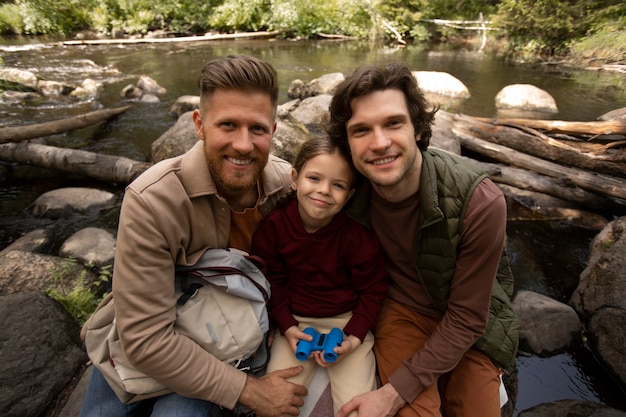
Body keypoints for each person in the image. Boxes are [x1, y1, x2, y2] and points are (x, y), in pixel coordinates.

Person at [79, 54, 307, 417]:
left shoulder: (290, 188)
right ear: (199, 125)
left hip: (230, 339)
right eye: (228, 125)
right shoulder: (152, 199)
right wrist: (251, 392)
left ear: (274, 131)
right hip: (160, 332)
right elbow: (146, 339)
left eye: (258, 129)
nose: (244, 145)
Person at [326, 62, 519, 417]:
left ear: (417, 127)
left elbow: (466, 317)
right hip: (400, 310)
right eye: (361, 130)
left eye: (393, 123)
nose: (380, 143)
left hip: (466, 315)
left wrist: (388, 395)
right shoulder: (344, 189)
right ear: (347, 143)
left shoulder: (479, 200)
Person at [250, 136, 388, 416]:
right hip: (296, 324)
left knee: (357, 409)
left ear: (349, 195)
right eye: (314, 178)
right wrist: (286, 325)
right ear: (294, 178)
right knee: (275, 404)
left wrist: (355, 337)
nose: (324, 191)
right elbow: (271, 281)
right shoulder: (273, 229)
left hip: (345, 321)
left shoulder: (357, 238)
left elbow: (373, 290)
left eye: (338, 185)